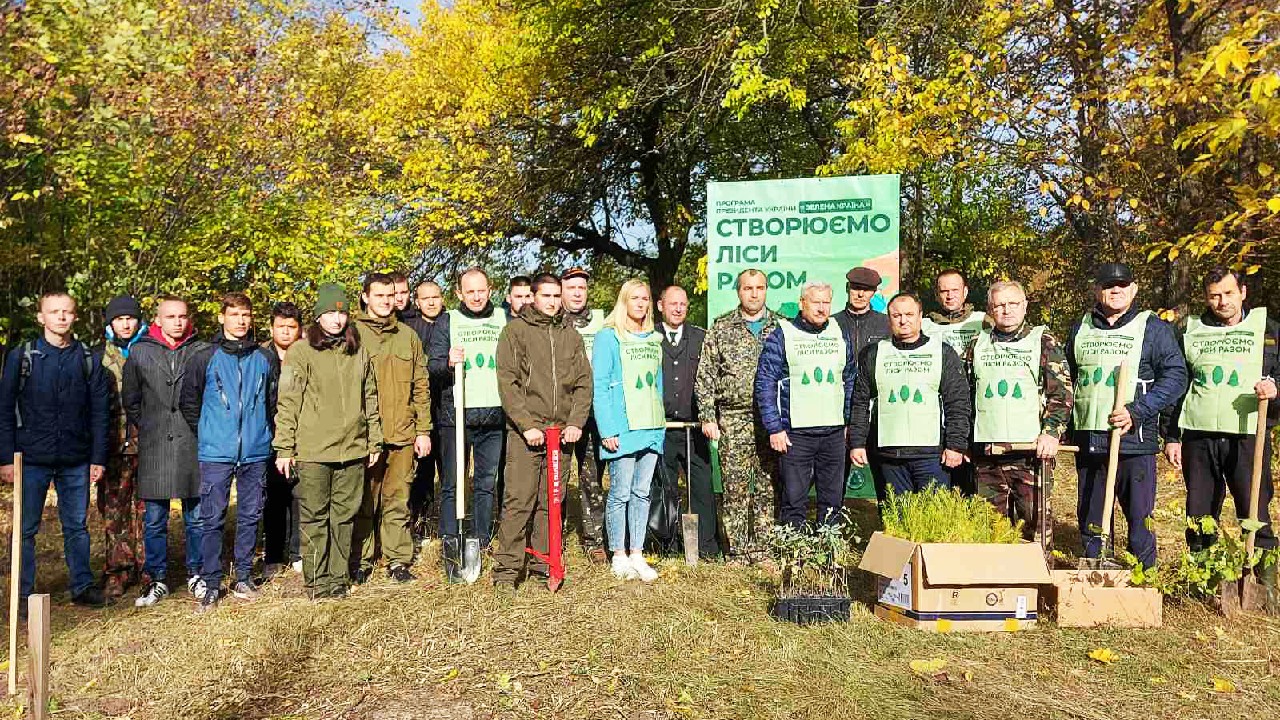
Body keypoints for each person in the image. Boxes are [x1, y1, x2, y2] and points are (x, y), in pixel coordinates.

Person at [1066, 263, 1186, 569]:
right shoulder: (1080, 328)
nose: (1115, 290)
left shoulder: (1154, 328)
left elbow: (1175, 377)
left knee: (1139, 516)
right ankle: (1095, 570)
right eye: (1108, 285)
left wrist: (1137, 411)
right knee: (1092, 514)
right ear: (1097, 290)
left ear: (1133, 289)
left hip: (1134, 440)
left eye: (1122, 285)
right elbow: (1068, 376)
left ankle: (1144, 579)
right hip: (1091, 438)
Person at [0, 292, 110, 612]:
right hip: (30, 458)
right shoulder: (22, 357)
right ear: (41, 317)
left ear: (75, 317)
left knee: (76, 525)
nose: (61, 317)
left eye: (67, 312)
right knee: (25, 529)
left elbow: (99, 413)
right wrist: (6, 458)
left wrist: (98, 458)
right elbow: (5, 410)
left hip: (75, 459)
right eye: (54, 312)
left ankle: (82, 586)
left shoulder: (88, 359)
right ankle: (23, 594)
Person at [273, 283, 383, 599]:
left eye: (342, 312)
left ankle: (337, 579)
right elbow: (289, 400)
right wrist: (284, 447)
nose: (336, 319)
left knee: (344, 516)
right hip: (313, 451)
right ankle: (316, 581)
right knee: (316, 517)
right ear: (318, 316)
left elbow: (370, 397)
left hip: (352, 449)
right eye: (330, 313)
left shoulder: (358, 351)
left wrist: (374, 440)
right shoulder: (300, 351)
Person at [1162, 267, 1278, 562]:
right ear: (1206, 297)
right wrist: (1172, 435)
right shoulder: (1190, 331)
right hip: (1199, 436)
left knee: (1255, 509)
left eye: (1228, 293)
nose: (1222, 301)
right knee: (1200, 512)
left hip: (1249, 434)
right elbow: (1178, 383)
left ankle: (1261, 578)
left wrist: (1275, 390)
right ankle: (1202, 579)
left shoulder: (1268, 331)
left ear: (1243, 292)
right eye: (1214, 296)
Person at [180, 292, 279, 612]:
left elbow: (272, 402)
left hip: (255, 450)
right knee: (212, 518)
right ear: (221, 317)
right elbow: (189, 402)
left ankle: (244, 576)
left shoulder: (265, 358)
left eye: (246, 315)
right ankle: (210, 582)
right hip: (216, 452)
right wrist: (210, 432)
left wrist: (262, 434)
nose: (240, 320)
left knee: (251, 515)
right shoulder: (203, 356)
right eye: (234, 314)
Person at [493, 274, 592, 591]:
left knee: (550, 503)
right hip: (527, 435)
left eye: (555, 296)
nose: (551, 301)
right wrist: (527, 425)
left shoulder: (570, 336)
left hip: (560, 435)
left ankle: (543, 565)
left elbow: (583, 383)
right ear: (533, 297)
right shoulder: (515, 332)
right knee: (519, 500)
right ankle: (507, 571)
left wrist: (576, 422)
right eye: (545, 295)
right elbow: (508, 384)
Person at [966, 281, 1073, 542]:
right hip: (988, 456)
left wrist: (1051, 433)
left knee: (1035, 529)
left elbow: (1061, 393)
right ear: (990, 309)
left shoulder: (1043, 341)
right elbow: (965, 396)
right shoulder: (976, 345)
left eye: (1013, 303)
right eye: (999, 305)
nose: (1007, 310)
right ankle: (994, 582)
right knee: (989, 532)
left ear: (1024, 306)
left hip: (1030, 456)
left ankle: (1036, 582)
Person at [124, 295, 210, 607]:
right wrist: (150, 428)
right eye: (170, 316)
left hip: (193, 442)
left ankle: (197, 573)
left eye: (182, 316)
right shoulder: (140, 351)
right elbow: (131, 400)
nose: (177, 321)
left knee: (196, 516)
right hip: (156, 445)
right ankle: (156, 578)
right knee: (155, 519)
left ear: (189, 319)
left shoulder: (202, 350)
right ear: (158, 320)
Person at [694, 269, 781, 561]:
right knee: (735, 488)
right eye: (747, 288)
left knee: (768, 487)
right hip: (733, 418)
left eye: (759, 287)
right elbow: (705, 375)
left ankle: (765, 548)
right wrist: (708, 416)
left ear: (767, 290)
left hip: (772, 422)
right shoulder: (721, 328)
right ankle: (739, 551)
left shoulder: (781, 326)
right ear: (738, 292)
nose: (754, 293)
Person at [352, 273, 432, 583]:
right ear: (365, 297)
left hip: (402, 433)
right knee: (364, 501)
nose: (386, 301)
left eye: (390, 295)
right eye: (379, 296)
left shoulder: (408, 336)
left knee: (398, 499)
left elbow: (420, 386)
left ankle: (398, 560)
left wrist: (423, 430)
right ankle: (362, 559)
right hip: (365, 437)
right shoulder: (352, 334)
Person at [849, 292, 971, 497]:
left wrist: (956, 445)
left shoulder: (942, 352)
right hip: (888, 455)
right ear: (889, 319)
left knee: (934, 519)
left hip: (932, 455)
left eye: (909, 314)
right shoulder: (873, 353)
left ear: (920, 316)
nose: (903, 320)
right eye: (896, 316)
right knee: (894, 520)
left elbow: (957, 402)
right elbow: (860, 401)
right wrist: (857, 443)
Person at [756, 282, 857, 528]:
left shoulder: (839, 331)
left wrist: (848, 421)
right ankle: (795, 555)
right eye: (815, 302)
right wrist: (774, 427)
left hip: (833, 433)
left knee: (833, 501)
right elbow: (765, 381)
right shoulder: (783, 333)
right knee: (794, 499)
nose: (822, 309)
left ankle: (828, 554)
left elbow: (850, 378)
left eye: (826, 303)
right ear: (802, 304)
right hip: (795, 433)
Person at [429, 268, 506, 555]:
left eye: (481, 290)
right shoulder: (448, 321)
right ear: (459, 293)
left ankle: (481, 539)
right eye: (470, 291)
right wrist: (448, 362)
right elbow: (432, 366)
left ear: (490, 290)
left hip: (494, 416)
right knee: (452, 481)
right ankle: (451, 538)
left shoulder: (502, 318)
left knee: (486, 482)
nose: (476, 296)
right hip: (456, 416)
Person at [593, 279, 665, 581]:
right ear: (624, 301)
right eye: (634, 298)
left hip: (651, 425)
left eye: (645, 298)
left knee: (642, 493)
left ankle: (637, 552)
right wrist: (607, 428)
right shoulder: (608, 337)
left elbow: (657, 384)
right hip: (622, 428)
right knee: (620, 492)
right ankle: (618, 554)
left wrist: (659, 423)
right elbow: (600, 385)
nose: (641, 303)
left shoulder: (654, 338)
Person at [654, 284, 719, 557]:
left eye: (683, 304)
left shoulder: (701, 338)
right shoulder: (648, 338)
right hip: (662, 428)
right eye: (673, 304)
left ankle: (705, 547)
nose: (678, 309)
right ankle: (665, 545)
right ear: (660, 306)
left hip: (695, 428)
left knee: (702, 487)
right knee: (663, 486)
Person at [97, 295, 148, 602]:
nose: (126, 324)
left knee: (146, 511)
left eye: (131, 318)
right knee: (113, 513)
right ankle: (117, 571)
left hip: (147, 445)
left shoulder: (148, 351)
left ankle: (148, 569)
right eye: (119, 319)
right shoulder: (98, 356)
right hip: (112, 447)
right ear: (110, 323)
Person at [560, 267, 609, 561]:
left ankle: (594, 540)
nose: (577, 293)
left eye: (582, 288)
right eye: (572, 287)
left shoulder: (602, 323)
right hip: (563, 414)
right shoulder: (554, 323)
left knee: (592, 479)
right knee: (559, 478)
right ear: (562, 290)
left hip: (594, 413)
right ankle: (558, 538)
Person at [262, 301, 303, 577]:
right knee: (273, 497)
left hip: (302, 434)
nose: (286, 332)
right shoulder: (260, 355)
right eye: (281, 327)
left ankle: (299, 551)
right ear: (272, 327)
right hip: (267, 434)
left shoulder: (309, 352)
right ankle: (274, 555)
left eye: (292, 327)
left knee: (300, 495)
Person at [408, 280, 446, 545]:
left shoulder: (452, 323)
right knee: (421, 473)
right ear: (417, 301)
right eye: (426, 298)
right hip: (420, 412)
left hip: (448, 410)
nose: (431, 302)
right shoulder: (410, 329)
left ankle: (448, 524)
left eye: (436, 296)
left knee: (449, 472)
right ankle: (419, 523)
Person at [923, 268, 987, 354]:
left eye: (955, 290)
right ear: (936, 294)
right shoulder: (924, 326)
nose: (950, 296)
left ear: (965, 292)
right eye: (944, 291)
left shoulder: (983, 321)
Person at [832, 266, 890, 360]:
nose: (861, 294)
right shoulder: (832, 323)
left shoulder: (887, 323)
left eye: (867, 290)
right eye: (856, 288)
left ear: (874, 292)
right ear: (847, 288)